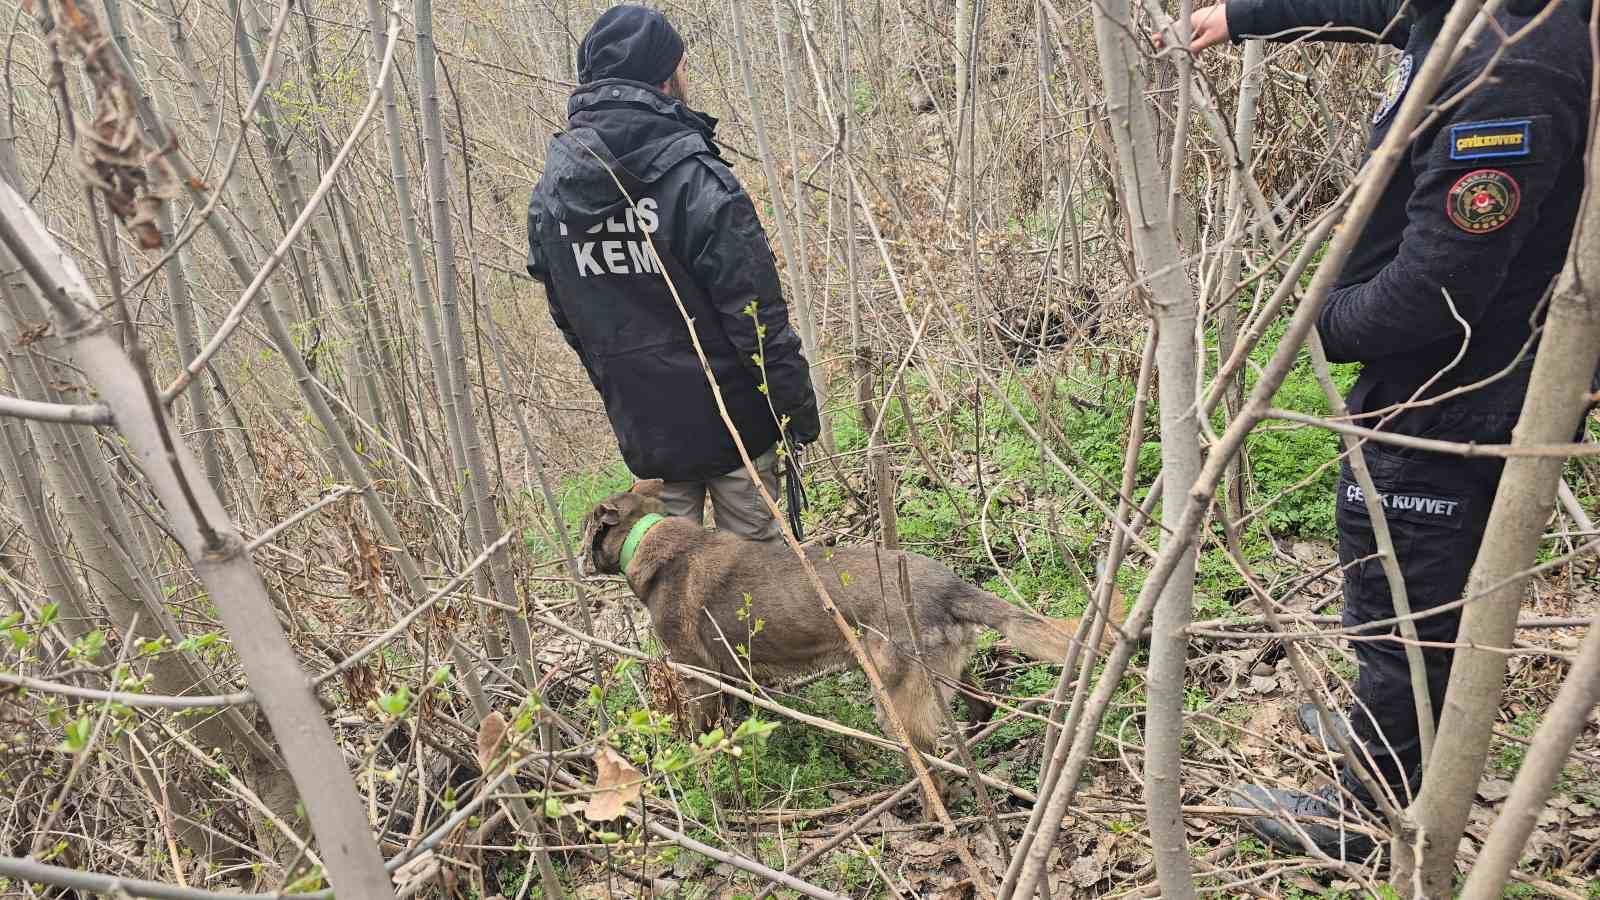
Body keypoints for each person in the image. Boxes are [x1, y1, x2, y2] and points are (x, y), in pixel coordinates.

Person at [1168, 0, 1592, 861]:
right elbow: (1375, 5)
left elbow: (1440, 291)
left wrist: (1315, 326)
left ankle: (1370, 809)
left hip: (1458, 383)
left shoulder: (1510, 66)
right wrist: (1240, 17)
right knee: (1400, 581)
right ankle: (1396, 729)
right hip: (1449, 371)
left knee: (1403, 588)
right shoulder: (1477, 13)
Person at [526, 5, 820, 543]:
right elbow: (756, 317)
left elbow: (571, 319)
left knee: (679, 591)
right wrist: (795, 407)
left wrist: (626, 394)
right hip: (738, 429)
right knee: (761, 589)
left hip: (651, 436)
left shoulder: (553, 194)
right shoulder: (697, 178)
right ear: (665, 76)